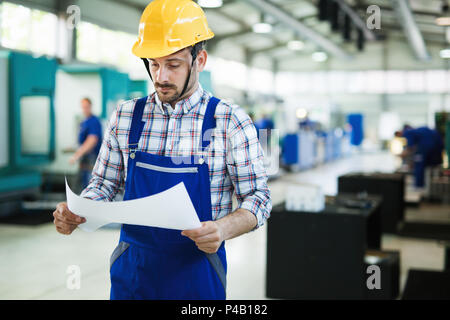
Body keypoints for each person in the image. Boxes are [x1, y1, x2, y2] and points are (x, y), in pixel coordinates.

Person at [53, 0, 272, 300]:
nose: (161, 77)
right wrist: (78, 211)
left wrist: (222, 229)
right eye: (153, 64)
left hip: (197, 276)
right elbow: (104, 184)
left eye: (173, 64)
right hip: (133, 275)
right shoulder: (127, 116)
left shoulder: (229, 122)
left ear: (200, 60)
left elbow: (258, 199)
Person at [69, 97, 103, 189]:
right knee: (83, 186)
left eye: (86, 106)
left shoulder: (94, 121)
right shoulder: (84, 121)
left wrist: (77, 155)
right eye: (83, 107)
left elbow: (92, 140)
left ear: (91, 106)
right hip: (85, 160)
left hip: (92, 160)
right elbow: (82, 140)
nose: (85, 109)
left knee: (90, 188)